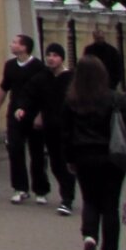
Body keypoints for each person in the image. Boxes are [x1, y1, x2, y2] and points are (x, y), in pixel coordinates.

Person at [63, 53, 126, 250]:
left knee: (90, 200)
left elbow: (66, 134)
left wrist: (69, 159)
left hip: (84, 157)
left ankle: (89, 237)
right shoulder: (115, 99)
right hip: (113, 158)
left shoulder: (72, 100)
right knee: (110, 205)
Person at [0, 33, 51, 203]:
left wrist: (40, 115)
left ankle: (40, 189)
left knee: (37, 152)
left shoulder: (38, 66)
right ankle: (20, 187)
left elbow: (45, 93)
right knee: (15, 149)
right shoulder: (10, 66)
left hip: (33, 114)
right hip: (15, 114)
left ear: (24, 47)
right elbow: (4, 88)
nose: (11, 45)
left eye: (15, 43)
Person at [38, 43, 78, 217]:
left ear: (62, 58)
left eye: (55, 55)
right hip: (49, 127)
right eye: (48, 55)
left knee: (65, 163)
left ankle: (67, 199)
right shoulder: (44, 77)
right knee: (55, 164)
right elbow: (36, 97)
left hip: (67, 128)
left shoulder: (70, 78)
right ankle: (66, 192)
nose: (50, 58)